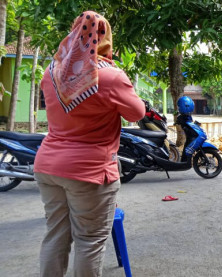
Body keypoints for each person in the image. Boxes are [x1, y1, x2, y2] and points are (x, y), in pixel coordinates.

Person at [34, 11, 145, 277]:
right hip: (89, 171)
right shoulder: (110, 76)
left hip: (48, 166)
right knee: (89, 241)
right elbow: (137, 113)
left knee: (55, 235)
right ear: (104, 38)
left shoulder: (52, 72)